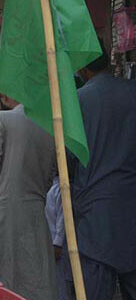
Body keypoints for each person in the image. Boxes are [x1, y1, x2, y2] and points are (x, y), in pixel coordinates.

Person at [0, 91, 57, 300]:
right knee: (35, 273)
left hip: (5, 208)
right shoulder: (50, 124)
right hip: (35, 207)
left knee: (7, 274)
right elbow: (51, 174)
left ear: (5, 96)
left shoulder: (2, 119)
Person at [73, 45, 136, 299]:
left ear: (83, 68)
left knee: (96, 290)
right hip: (130, 203)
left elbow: (68, 158)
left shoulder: (79, 101)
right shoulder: (132, 92)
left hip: (94, 210)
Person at [46, 177, 74, 300]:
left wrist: (57, 243)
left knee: (62, 285)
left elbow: (63, 220)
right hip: (51, 244)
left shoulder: (61, 189)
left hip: (59, 247)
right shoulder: (51, 188)